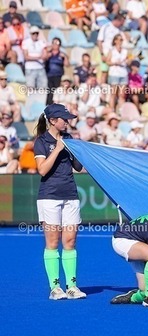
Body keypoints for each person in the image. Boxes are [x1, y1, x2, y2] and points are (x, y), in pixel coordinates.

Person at [33, 104, 86, 300]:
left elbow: (78, 167)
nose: (67, 122)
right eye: (64, 119)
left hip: (70, 195)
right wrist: (58, 149)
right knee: (53, 242)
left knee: (70, 241)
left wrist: (78, 149)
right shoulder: (41, 141)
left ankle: (72, 286)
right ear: (53, 121)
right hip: (49, 197)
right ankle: (55, 288)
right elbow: (42, 170)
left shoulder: (69, 138)